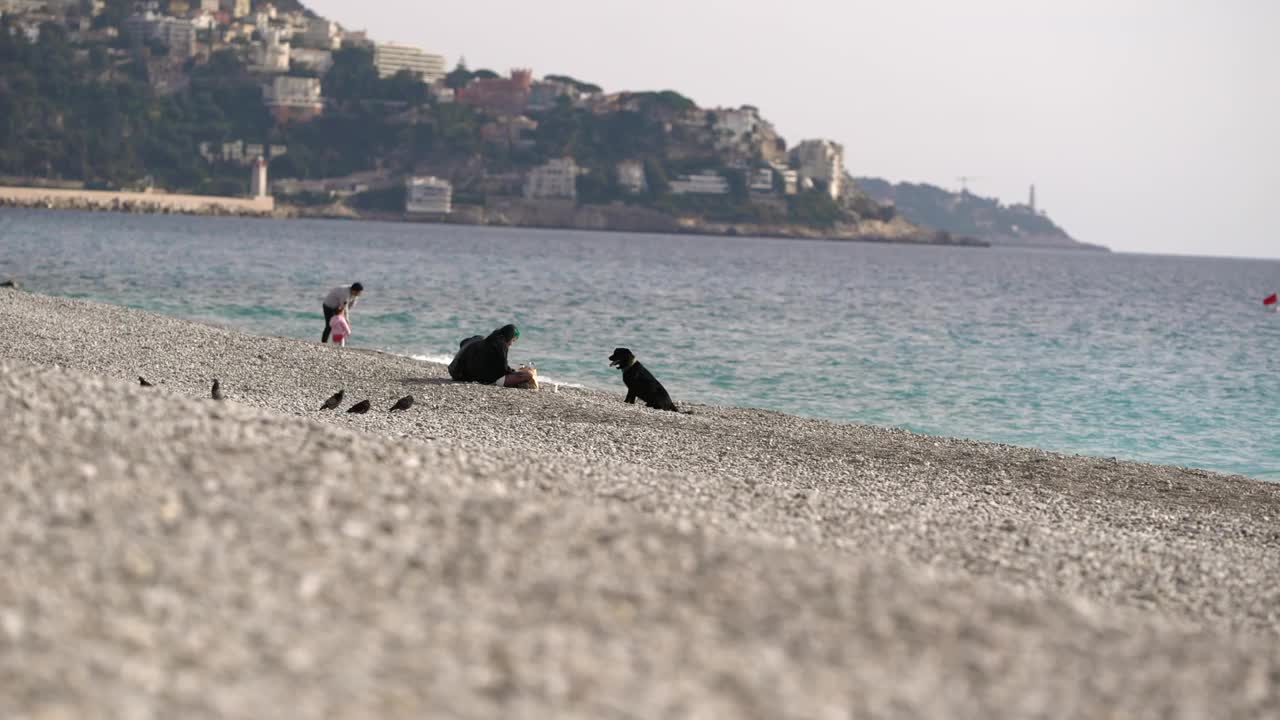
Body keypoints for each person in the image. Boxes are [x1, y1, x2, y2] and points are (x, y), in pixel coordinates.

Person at [447, 324, 535, 387]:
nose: (511, 344)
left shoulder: (483, 339)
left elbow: (462, 342)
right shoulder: (501, 344)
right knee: (529, 375)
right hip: (470, 377)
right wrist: (517, 372)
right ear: (509, 337)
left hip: (455, 371)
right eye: (513, 340)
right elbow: (503, 369)